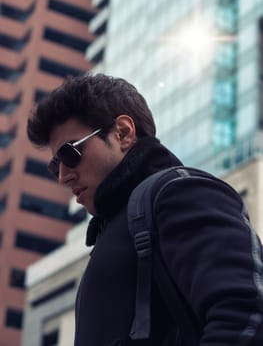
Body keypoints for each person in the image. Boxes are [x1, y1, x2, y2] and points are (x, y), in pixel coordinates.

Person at [27, 73, 263, 346]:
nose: (63, 176)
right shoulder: (118, 227)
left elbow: (246, 313)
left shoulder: (178, 193)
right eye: (55, 165)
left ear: (123, 133)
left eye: (70, 154)